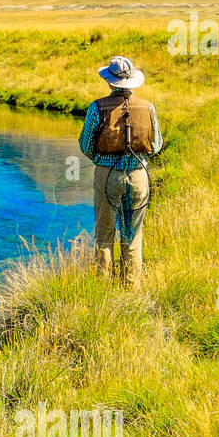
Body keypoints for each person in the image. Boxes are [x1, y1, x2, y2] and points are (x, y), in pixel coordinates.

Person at [78, 56, 163, 289]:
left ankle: (102, 290)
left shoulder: (96, 107)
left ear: (110, 82)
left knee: (104, 235)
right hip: (138, 176)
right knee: (132, 236)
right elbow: (155, 145)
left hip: (106, 176)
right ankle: (131, 289)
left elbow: (85, 144)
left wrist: (100, 159)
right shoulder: (148, 107)